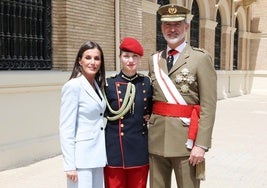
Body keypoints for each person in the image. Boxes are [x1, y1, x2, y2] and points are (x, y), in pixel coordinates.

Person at [148, 4, 217, 188]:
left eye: (177, 24)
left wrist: (201, 145)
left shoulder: (200, 58)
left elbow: (209, 106)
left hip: (187, 143)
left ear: (186, 26)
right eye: (167, 25)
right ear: (161, 27)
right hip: (157, 140)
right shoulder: (154, 60)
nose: (172, 29)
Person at [103, 37, 152, 188]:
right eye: (126, 56)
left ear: (140, 59)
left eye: (135, 56)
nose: (130, 60)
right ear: (120, 58)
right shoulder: (107, 84)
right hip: (115, 148)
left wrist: (151, 116)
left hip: (139, 148)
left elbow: (154, 108)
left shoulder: (147, 83)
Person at [59, 40, 107, 188]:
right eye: (88, 57)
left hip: (97, 156)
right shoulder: (73, 86)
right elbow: (66, 128)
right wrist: (70, 165)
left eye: (97, 58)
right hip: (81, 159)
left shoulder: (97, 86)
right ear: (79, 61)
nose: (92, 62)